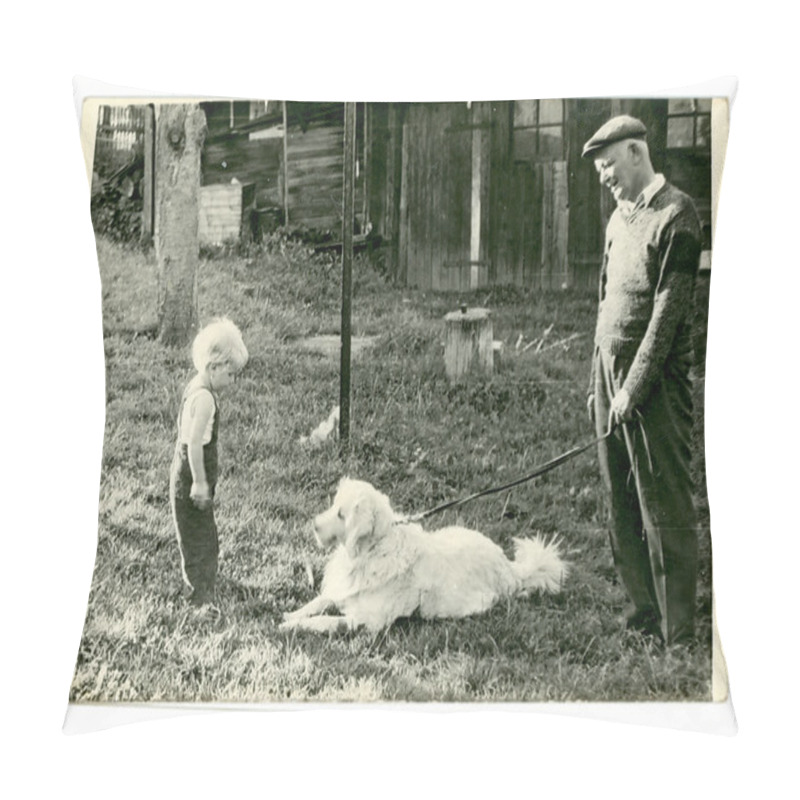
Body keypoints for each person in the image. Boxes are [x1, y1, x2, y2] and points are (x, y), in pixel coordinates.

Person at [582, 115, 702, 646]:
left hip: (655, 383)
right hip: (610, 375)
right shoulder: (616, 221)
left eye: (608, 164)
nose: (604, 176)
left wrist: (634, 386)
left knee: (664, 501)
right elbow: (606, 301)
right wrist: (600, 382)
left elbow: (667, 315)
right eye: (599, 168)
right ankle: (643, 612)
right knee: (621, 497)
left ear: (636, 152)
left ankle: (678, 629)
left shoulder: (678, 216)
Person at [169, 317, 249, 614]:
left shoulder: (197, 385)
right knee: (197, 540)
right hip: (192, 476)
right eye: (230, 373)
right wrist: (200, 482)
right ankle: (199, 599)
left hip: (187, 474)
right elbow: (193, 445)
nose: (233, 380)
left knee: (205, 534)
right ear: (213, 367)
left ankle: (207, 581)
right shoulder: (204, 399)